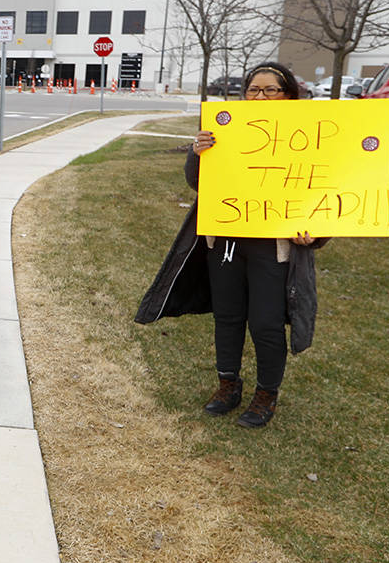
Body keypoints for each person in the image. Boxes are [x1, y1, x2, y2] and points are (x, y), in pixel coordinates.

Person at [135, 61, 328, 428]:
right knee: (228, 316)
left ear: (288, 95)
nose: (261, 96)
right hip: (224, 238)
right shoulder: (227, 127)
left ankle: (266, 393)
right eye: (254, 90)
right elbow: (198, 183)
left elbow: (323, 188)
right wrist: (198, 151)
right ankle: (228, 384)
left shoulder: (307, 135)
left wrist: (315, 233)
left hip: (274, 245)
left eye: (271, 90)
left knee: (266, 322)